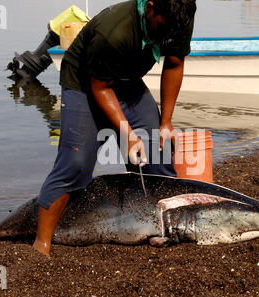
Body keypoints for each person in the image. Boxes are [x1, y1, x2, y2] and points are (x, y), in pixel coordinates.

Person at [32, 0, 197, 257]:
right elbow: (100, 87)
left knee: (158, 155)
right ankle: (41, 244)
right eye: (163, 28)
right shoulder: (115, 29)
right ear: (151, 6)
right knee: (76, 163)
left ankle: (156, 228)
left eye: (174, 31)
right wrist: (128, 136)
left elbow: (174, 63)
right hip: (85, 82)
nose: (169, 36)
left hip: (127, 80)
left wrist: (166, 122)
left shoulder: (179, 15)